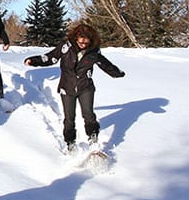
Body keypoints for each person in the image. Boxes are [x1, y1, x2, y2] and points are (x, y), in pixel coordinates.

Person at [24, 22, 125, 152]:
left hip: (85, 87)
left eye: (86, 39)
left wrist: (117, 73)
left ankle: (93, 138)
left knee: (88, 114)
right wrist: (33, 60)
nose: (83, 42)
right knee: (69, 118)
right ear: (76, 37)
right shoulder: (66, 47)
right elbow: (50, 58)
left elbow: (104, 64)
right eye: (81, 39)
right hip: (67, 87)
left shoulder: (93, 51)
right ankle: (70, 143)